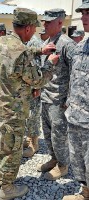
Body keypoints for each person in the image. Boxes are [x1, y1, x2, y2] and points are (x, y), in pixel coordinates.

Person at [0, 7, 59, 200]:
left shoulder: (0, 41)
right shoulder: (20, 52)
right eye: (35, 29)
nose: (36, 32)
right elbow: (38, 80)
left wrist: (39, 50)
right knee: (12, 148)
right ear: (28, 28)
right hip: (12, 110)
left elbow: (19, 53)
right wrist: (50, 63)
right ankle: (8, 187)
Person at [37, 8, 76, 180]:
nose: (44, 24)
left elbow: (77, 74)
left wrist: (69, 99)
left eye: (48, 21)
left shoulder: (67, 44)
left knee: (59, 135)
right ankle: (54, 158)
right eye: (43, 21)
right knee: (48, 132)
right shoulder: (49, 42)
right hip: (46, 97)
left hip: (59, 100)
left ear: (60, 23)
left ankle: (63, 165)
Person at [62, 0, 89, 199]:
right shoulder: (82, 46)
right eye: (83, 12)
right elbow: (74, 77)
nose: (85, 17)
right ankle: (85, 192)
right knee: (78, 160)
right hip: (76, 116)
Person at [23, 34, 43, 158]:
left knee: (33, 114)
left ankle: (34, 143)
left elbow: (36, 65)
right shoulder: (24, 39)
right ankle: (29, 138)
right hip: (25, 85)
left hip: (32, 86)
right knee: (27, 114)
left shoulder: (33, 41)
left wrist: (37, 86)